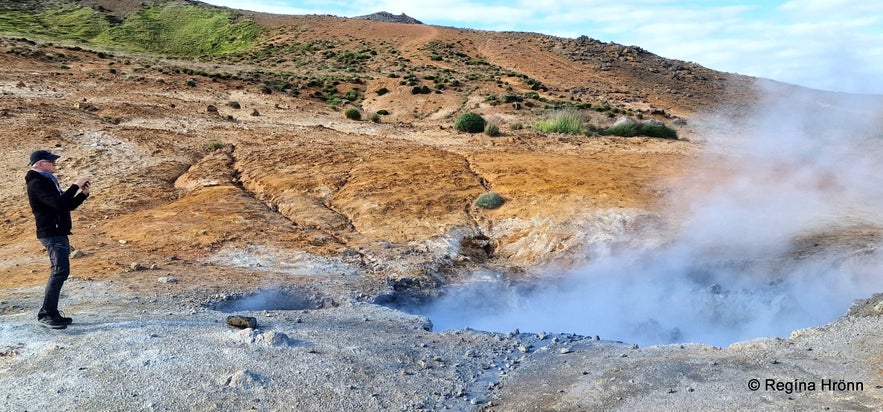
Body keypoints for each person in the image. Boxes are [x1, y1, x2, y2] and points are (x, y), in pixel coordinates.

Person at [25, 150, 92, 329]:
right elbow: (58, 204)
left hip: (57, 232)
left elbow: (65, 205)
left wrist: (82, 195)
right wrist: (74, 185)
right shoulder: (37, 183)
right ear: (39, 164)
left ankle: (52, 313)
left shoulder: (48, 181)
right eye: (51, 162)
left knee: (60, 271)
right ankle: (46, 314)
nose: (55, 164)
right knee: (59, 271)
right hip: (51, 233)